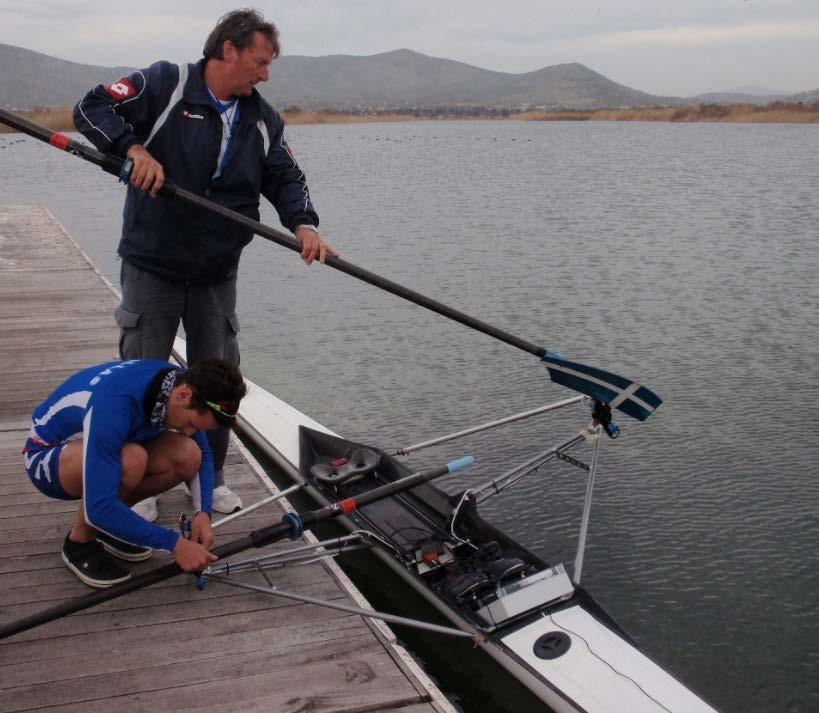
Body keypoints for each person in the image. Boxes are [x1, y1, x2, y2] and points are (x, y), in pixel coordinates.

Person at [73, 9, 336, 519]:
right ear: (228, 50)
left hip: (217, 273)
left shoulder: (262, 119)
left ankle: (205, 483)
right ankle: (142, 483)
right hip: (154, 264)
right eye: (259, 62)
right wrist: (132, 149)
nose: (265, 74)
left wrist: (303, 225)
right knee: (144, 375)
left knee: (220, 384)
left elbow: (285, 176)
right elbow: (90, 108)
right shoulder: (167, 84)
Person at [22, 358, 247, 588]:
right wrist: (175, 544)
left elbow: (204, 453)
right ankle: (79, 543)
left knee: (188, 455)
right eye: (191, 424)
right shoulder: (114, 406)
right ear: (183, 396)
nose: (189, 431)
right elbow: (98, 508)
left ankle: (112, 527)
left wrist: (203, 514)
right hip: (45, 457)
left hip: (101, 442)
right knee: (131, 460)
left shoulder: (182, 383)